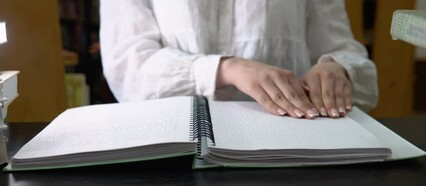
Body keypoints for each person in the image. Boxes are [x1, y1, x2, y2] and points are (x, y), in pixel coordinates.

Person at [99, 0, 378, 119]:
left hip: (291, 150)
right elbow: (127, 66)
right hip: (172, 155)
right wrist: (225, 69)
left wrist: (336, 66)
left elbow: (346, 51)